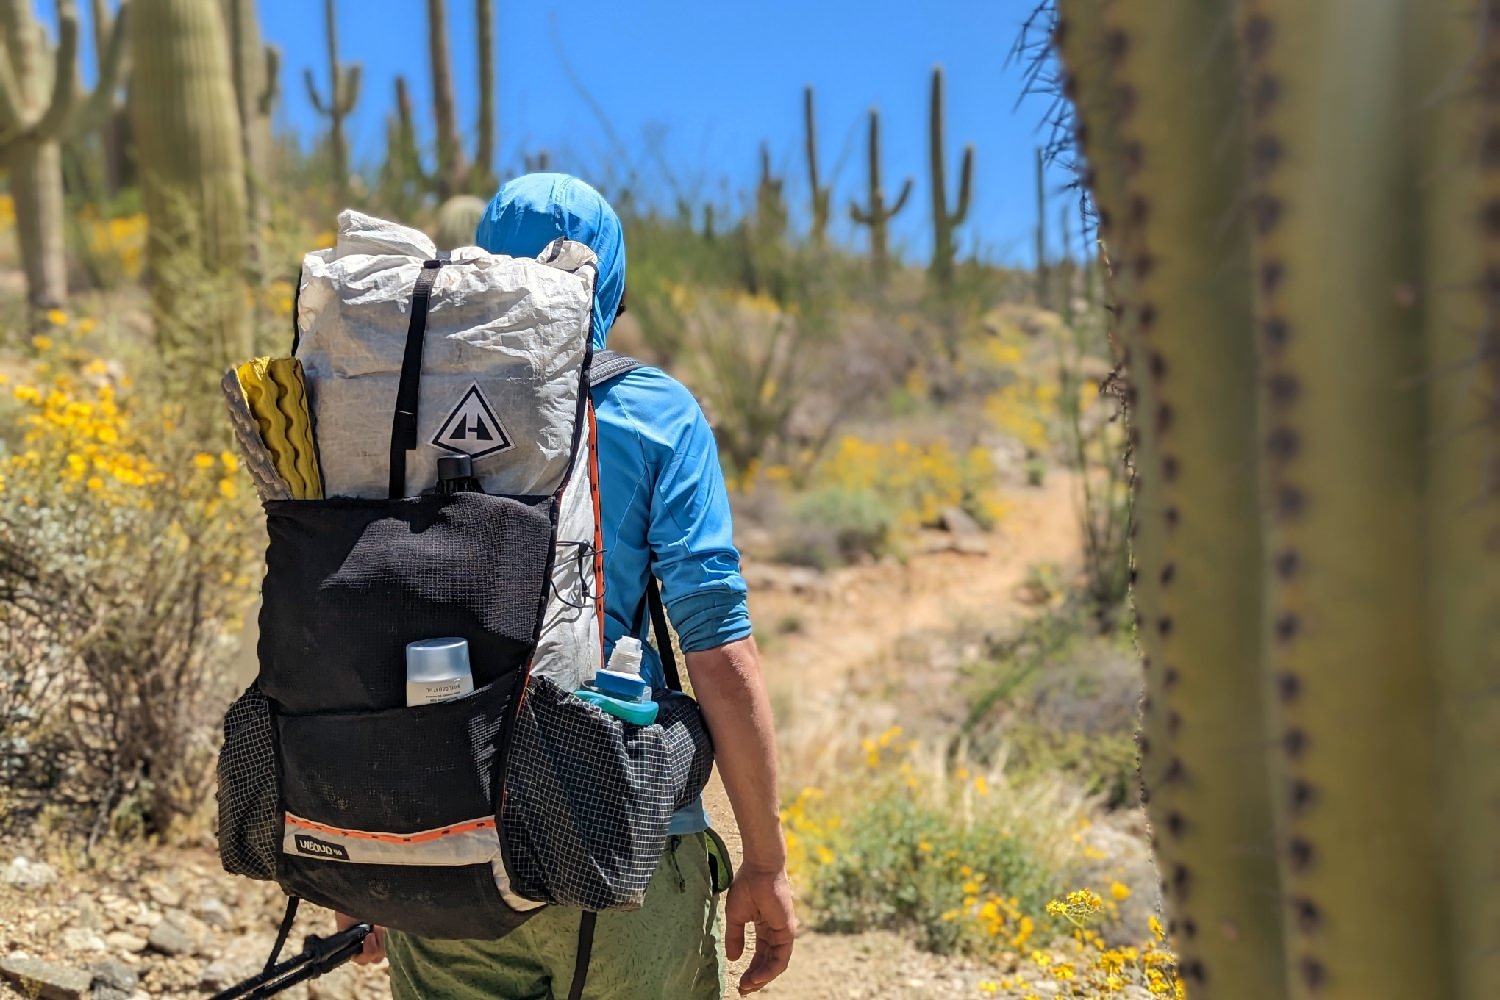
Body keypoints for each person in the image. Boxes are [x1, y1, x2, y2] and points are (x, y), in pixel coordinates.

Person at [336, 173, 796, 999]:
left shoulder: (399, 402)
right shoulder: (657, 414)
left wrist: (368, 851)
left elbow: (360, 617)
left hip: (445, 836)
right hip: (618, 840)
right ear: (610, 288)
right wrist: (764, 863)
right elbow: (719, 653)